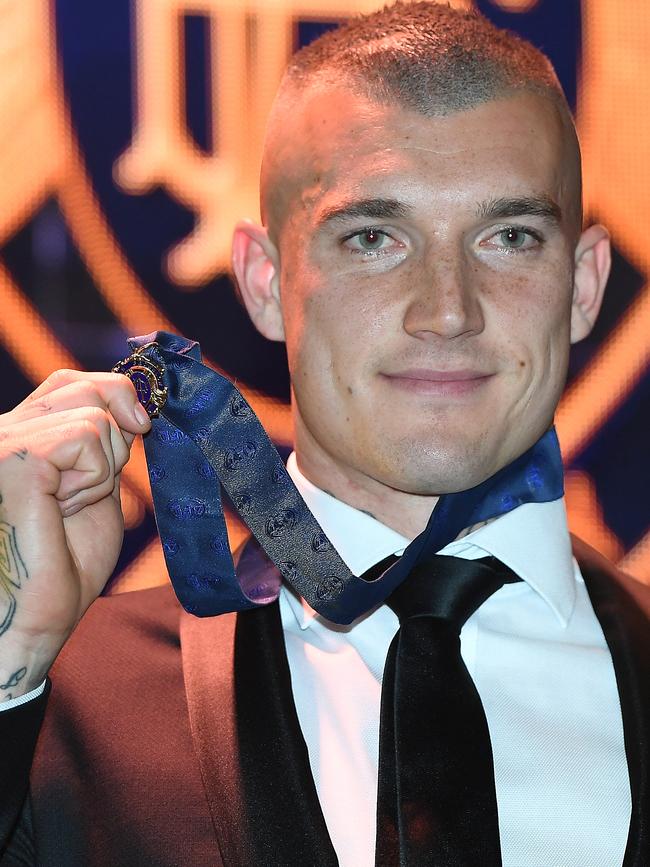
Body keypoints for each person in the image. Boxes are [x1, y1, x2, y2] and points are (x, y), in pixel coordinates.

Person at [0, 2, 648, 865]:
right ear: (265, 282)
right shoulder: (64, 697)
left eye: (510, 236)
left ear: (583, 283)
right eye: (374, 237)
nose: (447, 309)